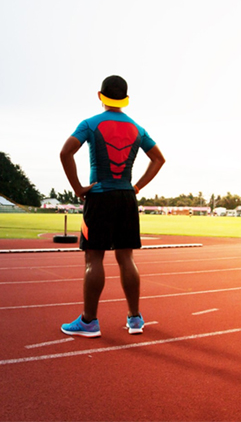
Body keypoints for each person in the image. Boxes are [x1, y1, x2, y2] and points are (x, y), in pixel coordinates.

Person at [59, 75, 165, 338]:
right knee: (126, 257)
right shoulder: (137, 128)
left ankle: (89, 322)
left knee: (93, 259)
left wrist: (78, 187)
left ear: (100, 95)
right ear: (125, 98)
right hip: (126, 197)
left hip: (100, 195)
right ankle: (135, 319)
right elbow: (158, 159)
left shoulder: (90, 124)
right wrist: (137, 187)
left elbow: (65, 152)